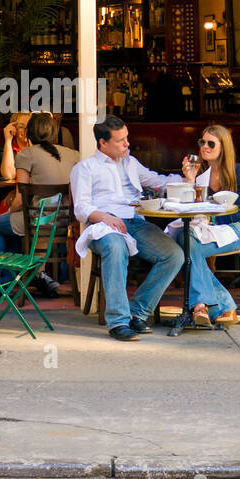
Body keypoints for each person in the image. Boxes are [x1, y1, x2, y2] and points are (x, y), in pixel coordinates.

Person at [70, 115, 192, 341]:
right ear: (103, 143)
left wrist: (188, 178)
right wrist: (106, 217)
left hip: (135, 221)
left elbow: (158, 181)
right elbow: (81, 208)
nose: (127, 144)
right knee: (116, 248)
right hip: (104, 225)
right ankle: (117, 322)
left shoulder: (131, 162)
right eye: (120, 140)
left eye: (127, 138)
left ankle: (137, 312)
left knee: (174, 254)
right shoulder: (85, 168)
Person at [0, 112, 77, 299]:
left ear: (30, 133)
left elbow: (20, 199)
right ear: (54, 132)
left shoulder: (26, 154)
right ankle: (20, 278)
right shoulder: (74, 155)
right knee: (8, 225)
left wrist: (7, 213)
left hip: (37, 222)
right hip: (64, 223)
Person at [179, 124, 240, 327]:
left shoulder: (239, 172)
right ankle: (218, 306)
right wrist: (190, 180)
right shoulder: (201, 175)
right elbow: (188, 208)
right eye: (202, 142)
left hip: (232, 231)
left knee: (186, 246)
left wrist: (212, 219)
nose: (205, 147)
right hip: (202, 231)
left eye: (211, 143)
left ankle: (206, 305)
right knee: (184, 242)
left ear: (223, 147)